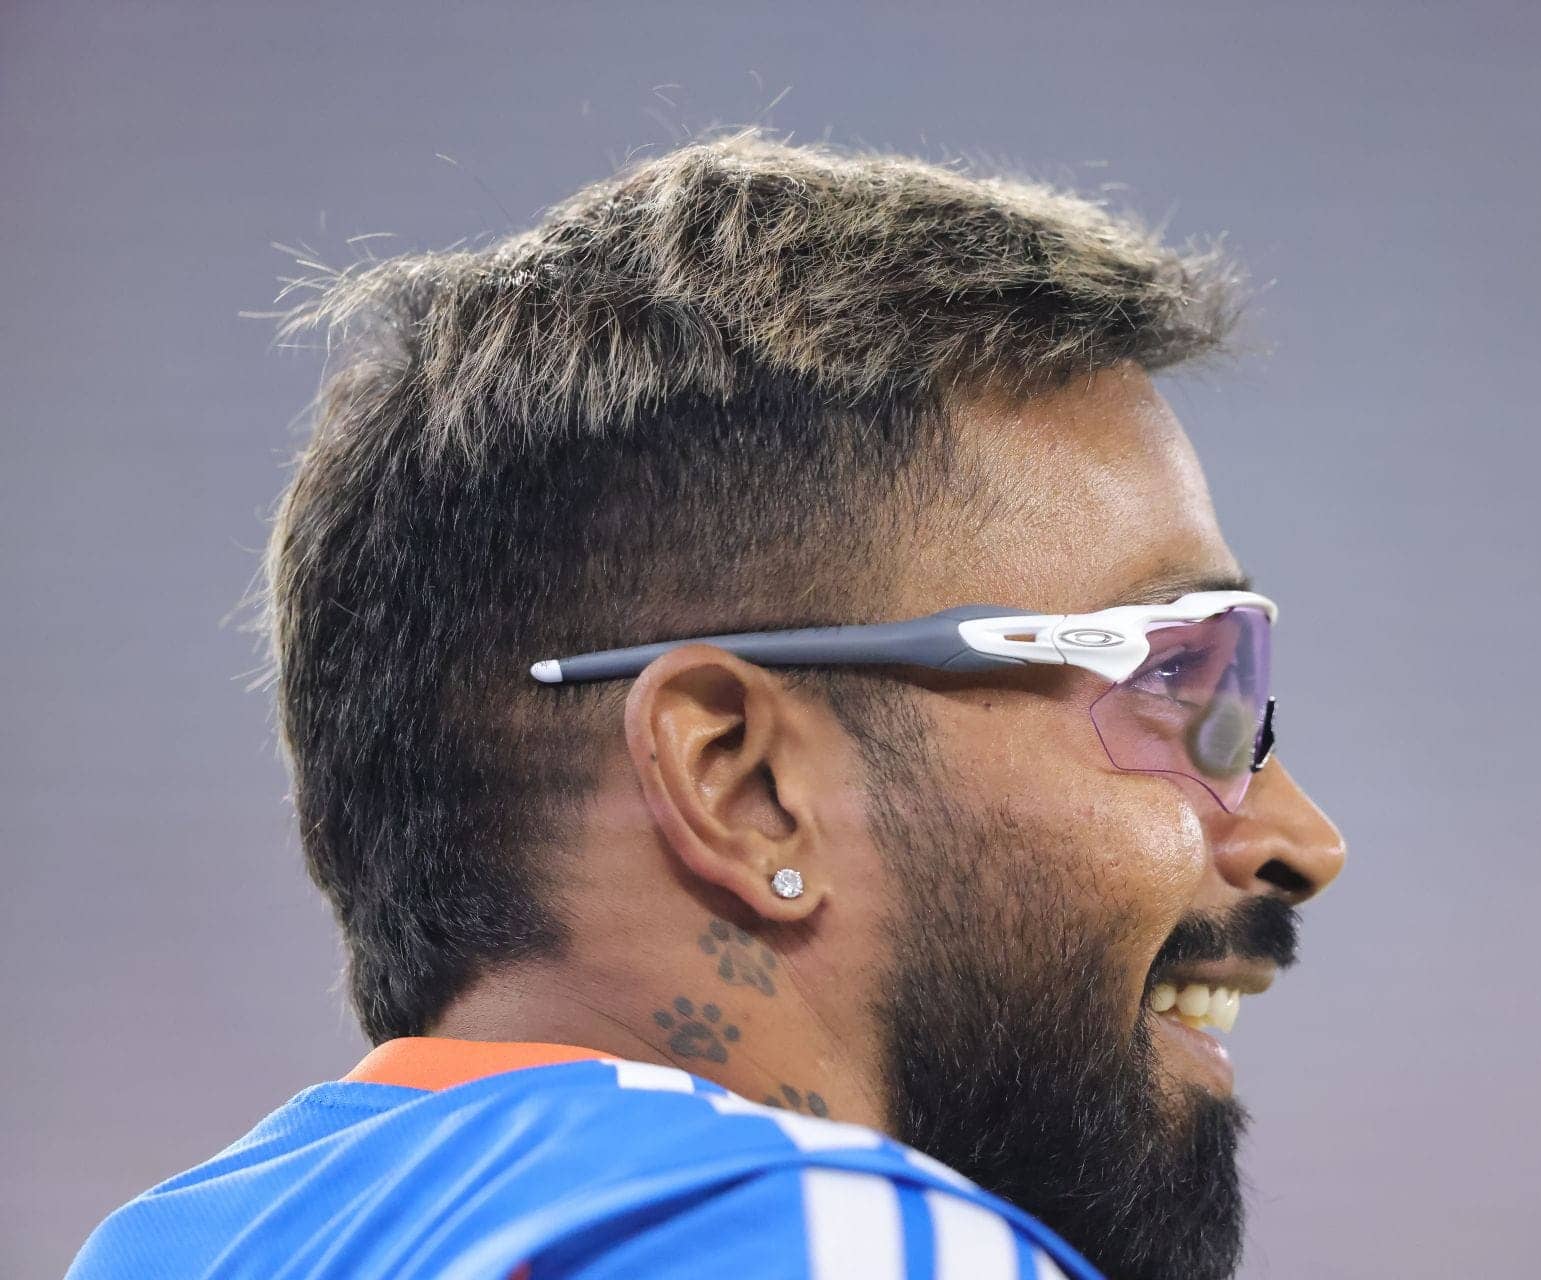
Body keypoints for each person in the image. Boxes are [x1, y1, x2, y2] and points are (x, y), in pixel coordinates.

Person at [69, 130, 1344, 1280]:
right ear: (742, 781)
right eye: (1170, 674)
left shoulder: (167, 1246)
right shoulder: (850, 1242)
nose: (1301, 837)